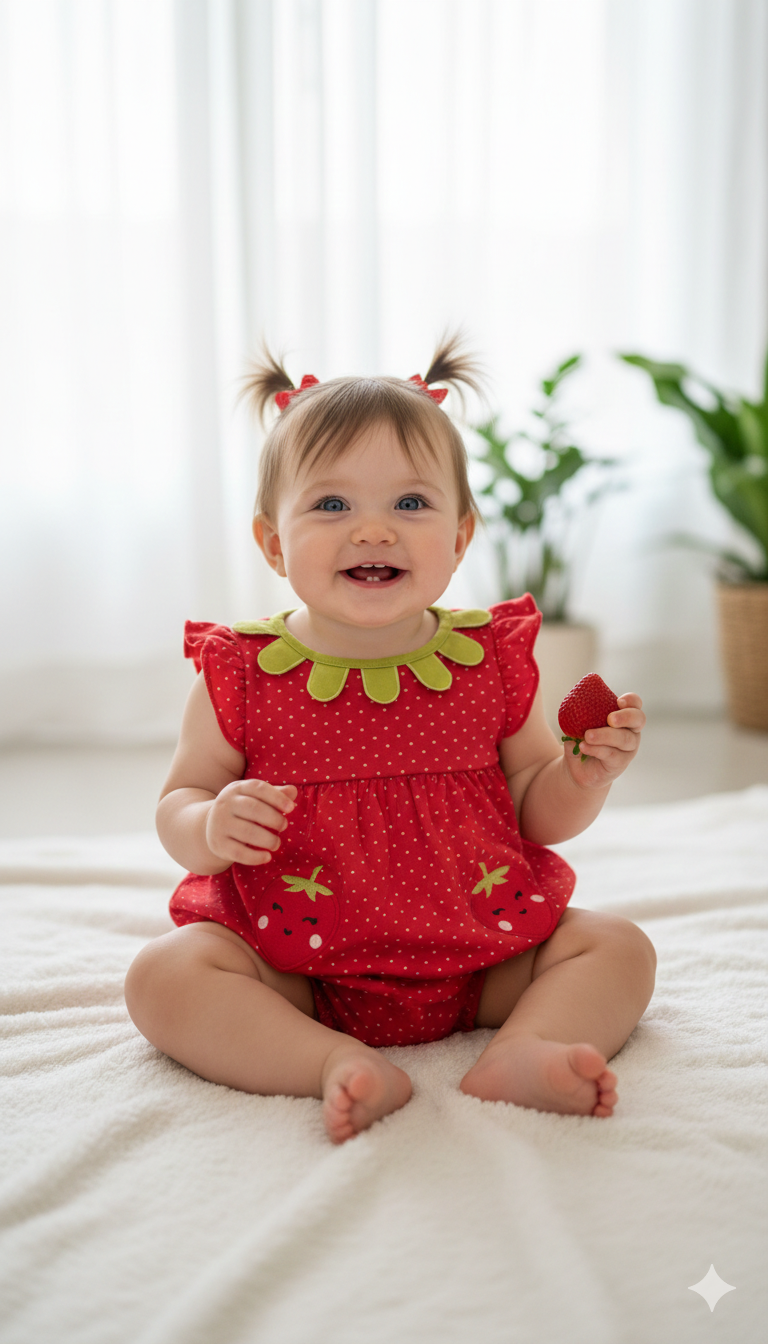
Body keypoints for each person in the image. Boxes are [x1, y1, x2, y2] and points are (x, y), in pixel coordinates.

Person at [125, 337, 655, 1145]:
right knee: (164, 977)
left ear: (461, 534)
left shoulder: (489, 661)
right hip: (297, 965)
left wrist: (582, 778)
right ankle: (327, 1061)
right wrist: (208, 824)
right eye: (332, 506)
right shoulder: (243, 671)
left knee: (617, 948)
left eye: (410, 505)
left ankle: (525, 1048)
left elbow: (531, 810)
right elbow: (179, 801)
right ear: (273, 543)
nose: (373, 531)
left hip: (480, 956)